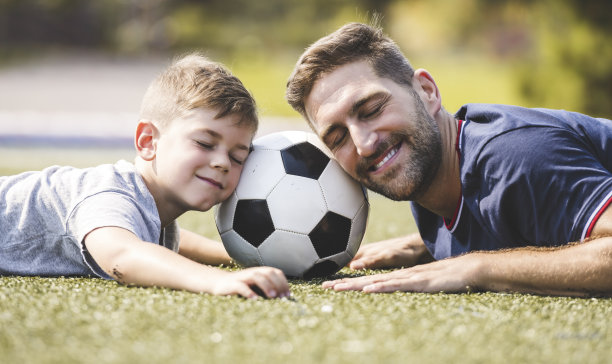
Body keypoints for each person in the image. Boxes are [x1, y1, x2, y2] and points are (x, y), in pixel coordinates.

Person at [285, 22, 612, 297]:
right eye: (338, 137)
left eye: (371, 110)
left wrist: (477, 266)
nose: (364, 144)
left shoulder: (513, 158)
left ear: (426, 92)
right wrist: (424, 246)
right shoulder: (433, 182)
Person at [0, 53, 290, 299]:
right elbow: (123, 255)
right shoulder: (109, 194)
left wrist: (246, 256)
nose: (222, 163)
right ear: (148, 141)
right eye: (204, 143)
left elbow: (164, 241)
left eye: (237, 157)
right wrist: (216, 280)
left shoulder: (149, 214)